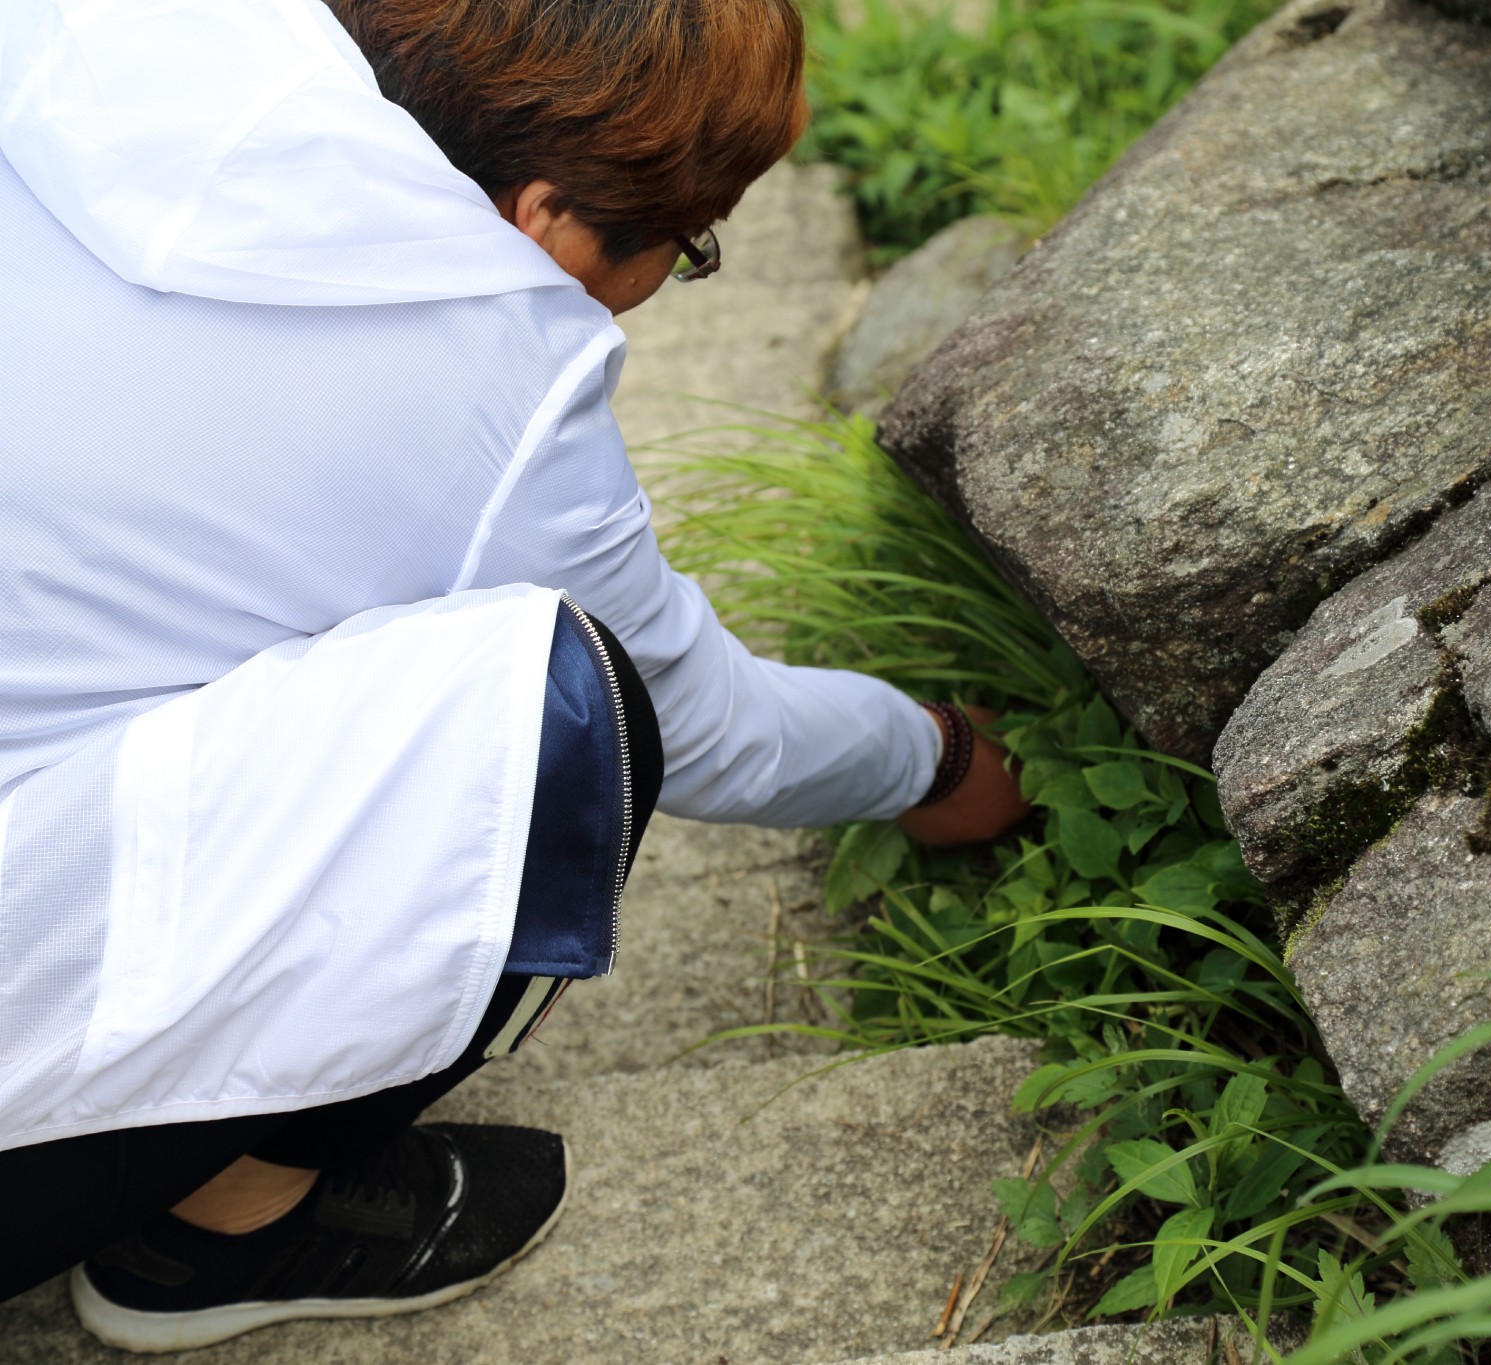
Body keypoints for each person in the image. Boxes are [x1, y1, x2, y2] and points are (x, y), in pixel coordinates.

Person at [0, 0, 1029, 1349]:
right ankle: (211, 1239)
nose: (675, 266)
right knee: (573, 713)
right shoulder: (489, 366)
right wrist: (934, 756)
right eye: (689, 239)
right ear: (543, 216)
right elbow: (704, 725)